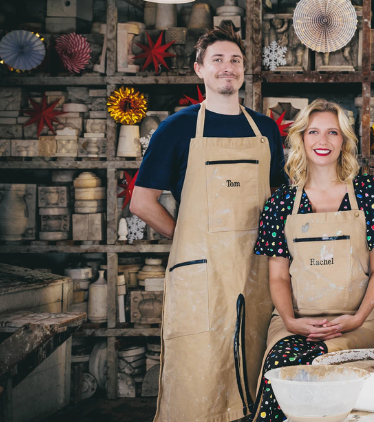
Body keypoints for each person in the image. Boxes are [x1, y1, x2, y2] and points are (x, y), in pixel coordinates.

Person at [129, 23, 286, 422]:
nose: (227, 67)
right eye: (217, 60)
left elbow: (278, 198)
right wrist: (188, 238)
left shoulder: (265, 129)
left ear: (244, 70)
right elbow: (142, 201)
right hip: (200, 271)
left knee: (253, 361)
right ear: (200, 69)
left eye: (235, 60)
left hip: (256, 267)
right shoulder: (177, 129)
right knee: (198, 370)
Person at [253, 99, 374, 422]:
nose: (323, 141)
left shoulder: (369, 193)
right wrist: (291, 322)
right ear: (301, 139)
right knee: (282, 367)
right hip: (296, 321)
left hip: (357, 321)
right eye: (314, 132)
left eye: (332, 132)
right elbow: (277, 277)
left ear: (344, 140)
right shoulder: (281, 202)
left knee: (317, 363)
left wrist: (358, 318)